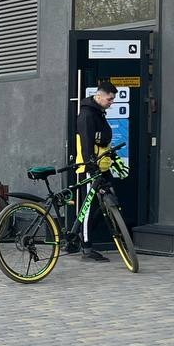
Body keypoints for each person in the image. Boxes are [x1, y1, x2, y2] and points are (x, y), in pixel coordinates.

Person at [73, 80, 118, 261]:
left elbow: (102, 139)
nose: (111, 102)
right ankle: (86, 247)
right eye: (109, 99)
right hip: (91, 167)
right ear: (99, 96)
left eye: (113, 99)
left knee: (110, 201)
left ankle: (88, 238)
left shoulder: (98, 112)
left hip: (103, 166)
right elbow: (86, 144)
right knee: (89, 208)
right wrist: (91, 167)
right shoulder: (87, 115)